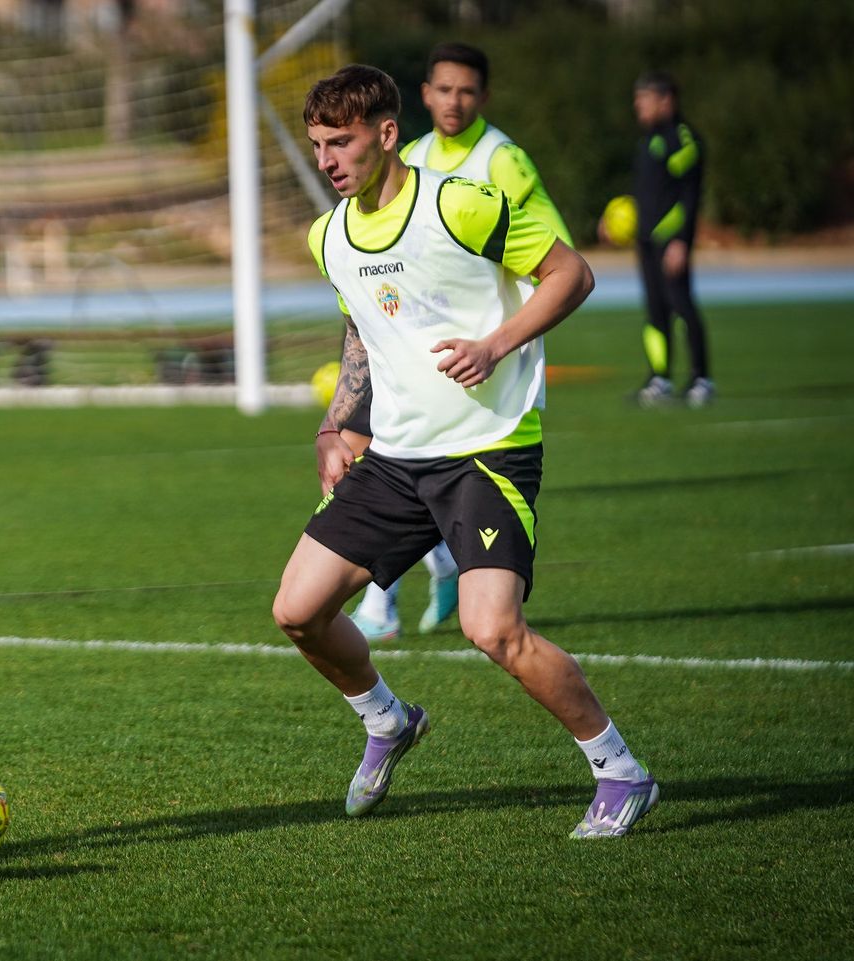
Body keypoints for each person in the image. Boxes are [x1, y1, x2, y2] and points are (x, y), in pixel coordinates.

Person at [275, 65, 657, 838]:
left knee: (493, 630)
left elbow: (571, 273)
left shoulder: (459, 204)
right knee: (298, 610)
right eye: (317, 145)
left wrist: (495, 344)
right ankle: (387, 719)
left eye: (341, 142)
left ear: (387, 134)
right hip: (396, 458)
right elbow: (363, 333)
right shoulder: (328, 236)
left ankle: (621, 771)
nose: (327, 161)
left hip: (487, 451)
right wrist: (336, 425)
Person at [347, 41, 578, 642]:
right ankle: (396, 597)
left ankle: (428, 582)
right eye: (444, 89)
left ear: (484, 96)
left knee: (411, 466)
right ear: (425, 95)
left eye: (467, 91)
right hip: (414, 353)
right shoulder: (410, 157)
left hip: (484, 367)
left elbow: (556, 258)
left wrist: (493, 334)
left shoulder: (503, 162)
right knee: (382, 459)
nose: (454, 101)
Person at [619, 70, 711, 408]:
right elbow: (647, 194)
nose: (638, 106)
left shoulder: (683, 140)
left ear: (666, 100)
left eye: (644, 98)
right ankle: (660, 378)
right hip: (645, 243)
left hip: (670, 242)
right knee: (655, 312)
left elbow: (689, 196)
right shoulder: (646, 142)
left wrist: (680, 241)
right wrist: (617, 221)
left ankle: (702, 378)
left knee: (682, 307)